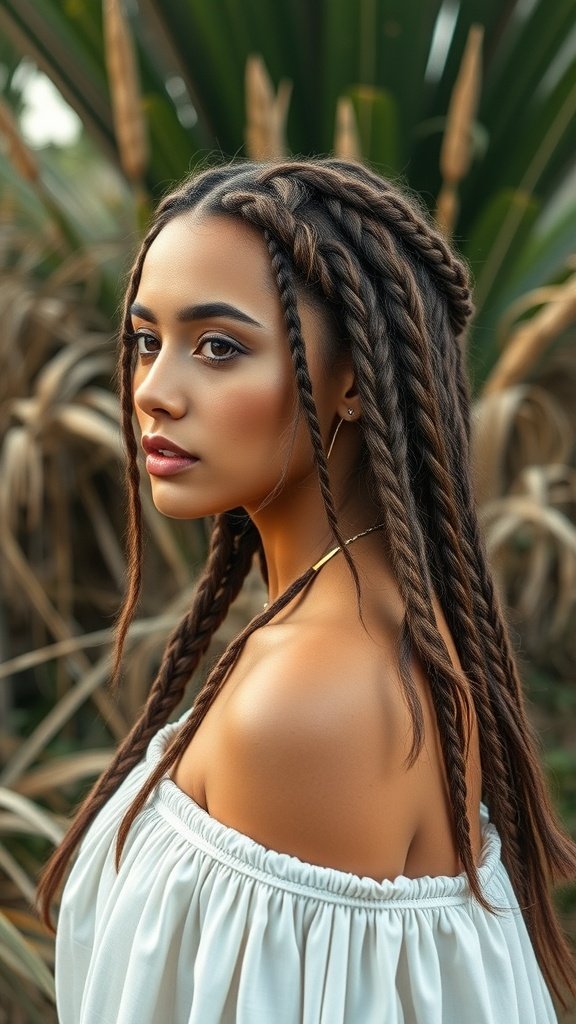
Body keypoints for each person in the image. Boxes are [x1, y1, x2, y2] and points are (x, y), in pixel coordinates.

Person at [39, 159, 576, 1024]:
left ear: (355, 378)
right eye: (147, 340)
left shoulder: (316, 698)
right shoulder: (356, 626)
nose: (153, 392)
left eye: (219, 347)